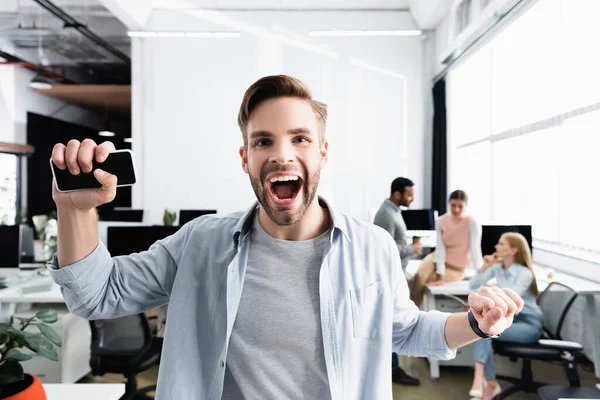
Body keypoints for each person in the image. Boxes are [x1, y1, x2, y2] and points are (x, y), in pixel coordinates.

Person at [47, 74, 524, 400]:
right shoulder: (200, 244)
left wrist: (477, 325)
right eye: (263, 141)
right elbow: (96, 295)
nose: (281, 154)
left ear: (322, 152)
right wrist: (76, 210)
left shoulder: (373, 248)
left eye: (299, 139)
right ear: (245, 158)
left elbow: (406, 330)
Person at [468, 232, 543, 400]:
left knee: (483, 330)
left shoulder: (525, 273)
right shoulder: (498, 267)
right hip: (510, 321)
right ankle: (488, 381)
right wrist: (485, 267)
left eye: (501, 244)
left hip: (528, 325)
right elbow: (472, 284)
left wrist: (490, 290)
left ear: (513, 251)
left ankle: (482, 380)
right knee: (483, 329)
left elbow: (509, 298)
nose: (496, 247)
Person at [373, 177, 423, 385]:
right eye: (409, 194)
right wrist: (413, 249)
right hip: (386, 278)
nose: (412, 199)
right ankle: (392, 370)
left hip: (396, 276)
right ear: (397, 194)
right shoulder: (386, 214)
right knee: (390, 324)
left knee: (392, 323)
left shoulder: (394, 212)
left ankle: (392, 369)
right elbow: (384, 250)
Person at [408, 190, 483, 307]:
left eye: (460, 206)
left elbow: (475, 251)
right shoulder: (441, 221)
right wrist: (440, 276)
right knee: (419, 277)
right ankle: (409, 314)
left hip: (456, 268)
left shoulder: (472, 222)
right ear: (449, 203)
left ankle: (411, 314)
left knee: (414, 281)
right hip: (436, 257)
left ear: (466, 206)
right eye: (453, 205)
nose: (456, 209)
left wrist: (482, 275)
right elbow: (440, 249)